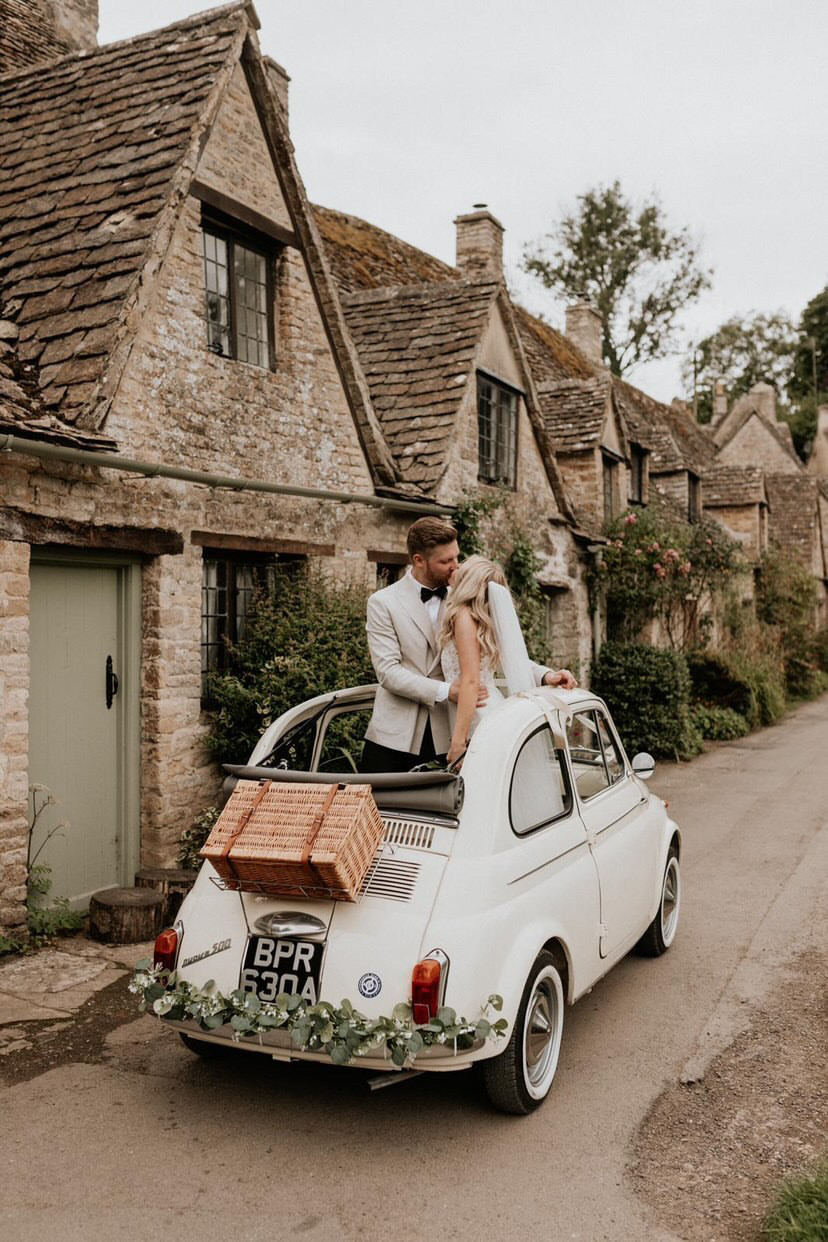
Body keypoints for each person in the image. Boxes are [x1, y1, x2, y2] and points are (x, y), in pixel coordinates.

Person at [362, 517, 577, 772]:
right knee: (375, 805)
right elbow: (388, 672)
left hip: (453, 731)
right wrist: (447, 690)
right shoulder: (383, 602)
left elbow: (492, 650)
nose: (456, 567)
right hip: (397, 734)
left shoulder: (466, 596)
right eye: (446, 561)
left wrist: (545, 675)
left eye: (457, 557)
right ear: (418, 560)